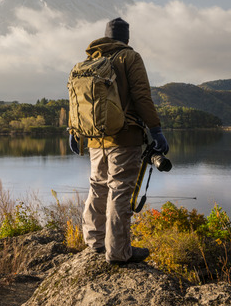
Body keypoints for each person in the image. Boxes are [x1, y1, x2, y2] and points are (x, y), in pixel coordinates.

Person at [70, 17, 169, 264]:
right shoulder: (129, 58)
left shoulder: (90, 60)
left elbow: (77, 103)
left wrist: (74, 131)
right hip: (124, 137)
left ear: (105, 36)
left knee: (98, 186)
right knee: (120, 190)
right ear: (126, 38)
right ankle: (119, 252)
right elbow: (142, 96)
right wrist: (156, 130)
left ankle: (94, 241)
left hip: (94, 139)